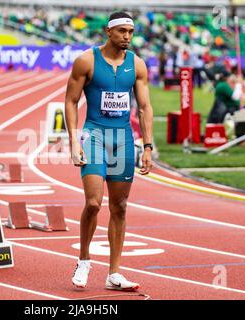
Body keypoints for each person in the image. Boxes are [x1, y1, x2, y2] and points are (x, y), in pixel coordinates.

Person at [65, 11, 153, 291]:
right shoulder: (86, 60)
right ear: (108, 31)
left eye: (131, 32)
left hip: (123, 139)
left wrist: (148, 145)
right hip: (94, 135)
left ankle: (114, 273)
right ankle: (84, 260)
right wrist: (73, 141)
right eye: (122, 31)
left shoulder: (137, 65)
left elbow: (145, 107)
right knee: (93, 203)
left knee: (120, 207)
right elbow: (70, 100)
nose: (127, 36)